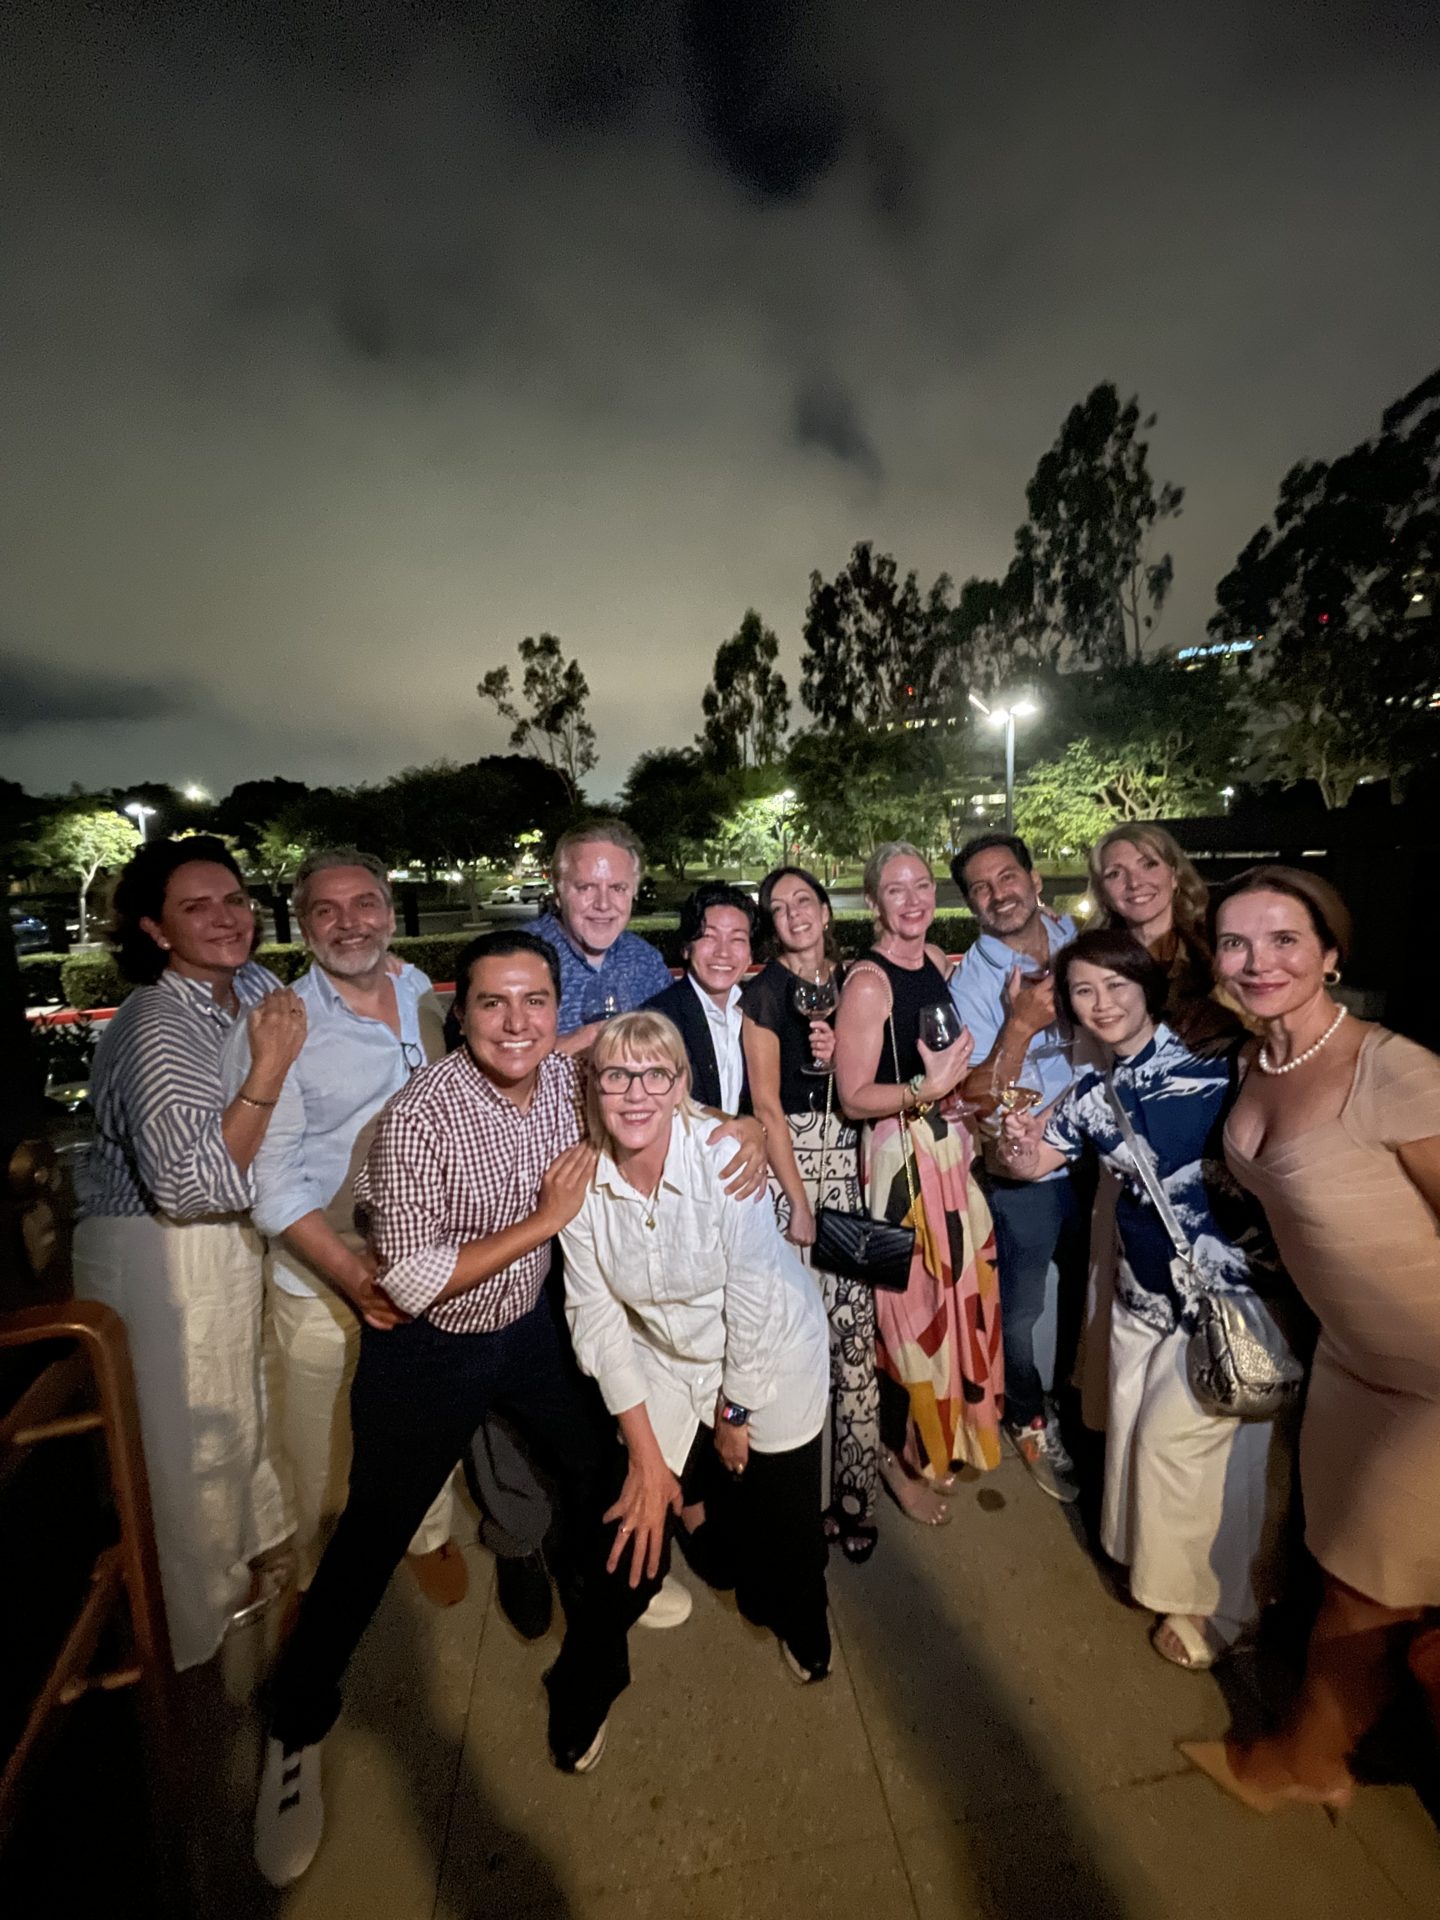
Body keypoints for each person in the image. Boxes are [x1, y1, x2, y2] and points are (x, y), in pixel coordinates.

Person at [253, 932, 655, 1887]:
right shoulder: (418, 1117)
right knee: (371, 1537)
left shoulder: (566, 1085)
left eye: (534, 1001)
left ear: (556, 1010)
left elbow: (658, 1100)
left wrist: (747, 1133)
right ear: (460, 1014)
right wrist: (543, 1223)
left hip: (530, 1331)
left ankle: (594, 1644)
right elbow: (410, 1279)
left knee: (602, 1472)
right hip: (430, 1351)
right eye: (492, 1003)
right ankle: (294, 1724)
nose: (517, 1023)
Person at [1180, 867, 1440, 1813]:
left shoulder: (1393, 1070)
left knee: (1367, 1590)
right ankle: (1336, 1750)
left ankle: (1298, 1766)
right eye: (1237, 943)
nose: (1259, 961)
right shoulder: (1259, 1059)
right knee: (1347, 1568)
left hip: (1429, 1377)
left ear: (1331, 954)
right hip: (1350, 1360)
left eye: (1284, 939)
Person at [1000, 929, 1294, 1670]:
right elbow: (1034, 1158)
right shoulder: (1092, 1095)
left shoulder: (1222, 1067)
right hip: (1141, 1297)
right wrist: (1015, 1143)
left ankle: (1225, 1606)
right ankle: (1171, 1579)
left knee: (1189, 1452)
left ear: (1146, 987)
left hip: (1223, 1299)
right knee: (1139, 1441)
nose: (1101, 1003)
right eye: (1083, 991)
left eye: (1115, 984)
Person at [73, 836, 306, 1670]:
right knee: (189, 1446)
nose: (225, 918)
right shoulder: (156, 1024)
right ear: (156, 929)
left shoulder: (249, 987)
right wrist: (268, 1068)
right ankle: (195, 1637)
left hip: (228, 1241)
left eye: (234, 899)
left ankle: (246, 1573)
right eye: (195, 907)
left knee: (240, 1409)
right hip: (161, 1248)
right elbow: (187, 1184)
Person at [221, 848, 467, 1608]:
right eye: (325, 911)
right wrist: (354, 1277)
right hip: (325, 1275)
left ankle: (427, 1532)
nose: (348, 923)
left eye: (364, 904)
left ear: (390, 912)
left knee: (427, 1418)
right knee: (321, 1441)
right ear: (302, 927)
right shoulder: (281, 1025)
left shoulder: (419, 991)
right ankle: (321, 1566)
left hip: (428, 1260)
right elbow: (270, 1180)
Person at [561, 1011, 832, 1681]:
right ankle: (590, 1678)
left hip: (771, 1350)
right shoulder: (580, 1184)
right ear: (593, 1085)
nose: (636, 1093)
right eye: (617, 1075)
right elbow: (595, 1318)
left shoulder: (724, 1159)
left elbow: (754, 1296)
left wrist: (734, 1413)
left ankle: (805, 1620)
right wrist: (646, 1452)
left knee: (788, 1521)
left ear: (681, 1084)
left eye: (656, 1074)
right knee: (630, 1519)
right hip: (668, 1356)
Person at [833, 842, 1002, 1526]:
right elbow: (853, 1096)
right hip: (896, 1165)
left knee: (957, 1300)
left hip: (948, 1152)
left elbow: (947, 1061)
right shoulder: (867, 983)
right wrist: (922, 1091)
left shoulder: (934, 959)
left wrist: (953, 1094)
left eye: (922, 885)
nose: (913, 900)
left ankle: (936, 1440)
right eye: (896, 890)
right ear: (874, 902)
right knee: (904, 1317)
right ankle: (894, 1459)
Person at [742, 865, 879, 1561]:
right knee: (793, 1344)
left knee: (855, 1340)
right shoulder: (763, 993)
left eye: (804, 900)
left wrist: (841, 1050)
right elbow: (765, 1105)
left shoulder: (855, 979)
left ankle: (855, 1495)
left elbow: (871, 1074)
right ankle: (797, 1502)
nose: (794, 913)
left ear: (826, 911)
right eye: (779, 906)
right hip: (791, 1173)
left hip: (852, 1175)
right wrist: (797, 1202)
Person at [948, 832, 1086, 1502]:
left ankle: (1087, 1412)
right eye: (980, 887)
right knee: (1021, 1313)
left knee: (1093, 1294)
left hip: (1102, 1157)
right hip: (1026, 1172)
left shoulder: (1075, 938)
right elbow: (976, 1094)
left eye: (1007, 877)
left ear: (1035, 880)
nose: (998, 894)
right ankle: (1029, 1418)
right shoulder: (973, 982)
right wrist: (1022, 1024)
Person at [1088, 824, 1241, 1051]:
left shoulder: (1217, 946)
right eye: (1115, 874)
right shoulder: (1092, 962)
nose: (1134, 883)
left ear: (1174, 876)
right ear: (1103, 894)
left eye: (1149, 864)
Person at [530, 819, 673, 1050]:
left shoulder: (646, 962)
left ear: (634, 891)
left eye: (618, 888)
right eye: (586, 887)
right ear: (558, 891)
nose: (603, 904)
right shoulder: (513, 959)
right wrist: (573, 1045)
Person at [644, 881, 755, 1113]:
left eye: (737, 939)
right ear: (686, 948)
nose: (723, 952)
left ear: (750, 955)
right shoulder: (658, 1020)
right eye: (708, 936)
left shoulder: (757, 1011)